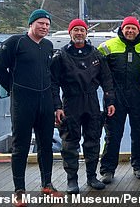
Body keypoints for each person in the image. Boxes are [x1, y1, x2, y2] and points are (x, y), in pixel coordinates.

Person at [0, 9, 62, 206]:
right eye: (40, 23)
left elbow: (50, 75)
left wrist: (56, 104)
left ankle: (47, 184)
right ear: (31, 24)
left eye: (47, 24)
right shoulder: (16, 42)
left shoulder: (48, 45)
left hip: (45, 102)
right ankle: (20, 191)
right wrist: (14, 89)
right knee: (20, 146)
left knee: (46, 145)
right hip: (23, 102)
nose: (44, 27)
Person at [51, 19, 116, 194]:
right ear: (70, 33)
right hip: (71, 101)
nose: (79, 33)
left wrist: (110, 102)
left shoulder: (96, 54)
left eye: (82, 30)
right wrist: (57, 106)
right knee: (70, 142)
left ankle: (91, 176)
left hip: (92, 100)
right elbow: (53, 84)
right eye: (76, 30)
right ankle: (72, 180)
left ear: (86, 33)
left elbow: (107, 81)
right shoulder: (61, 55)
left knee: (93, 140)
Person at [97, 16, 140, 183]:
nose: (130, 31)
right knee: (112, 134)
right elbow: (96, 69)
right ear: (121, 29)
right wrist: (107, 91)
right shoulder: (107, 46)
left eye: (133, 28)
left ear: (138, 30)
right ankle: (107, 169)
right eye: (127, 28)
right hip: (115, 98)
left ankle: (139, 166)